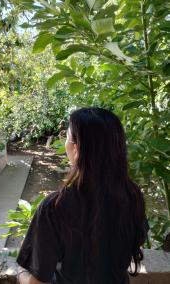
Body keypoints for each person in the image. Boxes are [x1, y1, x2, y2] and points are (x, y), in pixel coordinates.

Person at [16, 107, 149, 284]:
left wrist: (20, 273)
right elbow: (136, 242)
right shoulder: (133, 197)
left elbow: (36, 282)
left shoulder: (55, 207)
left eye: (67, 136)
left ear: (77, 148)